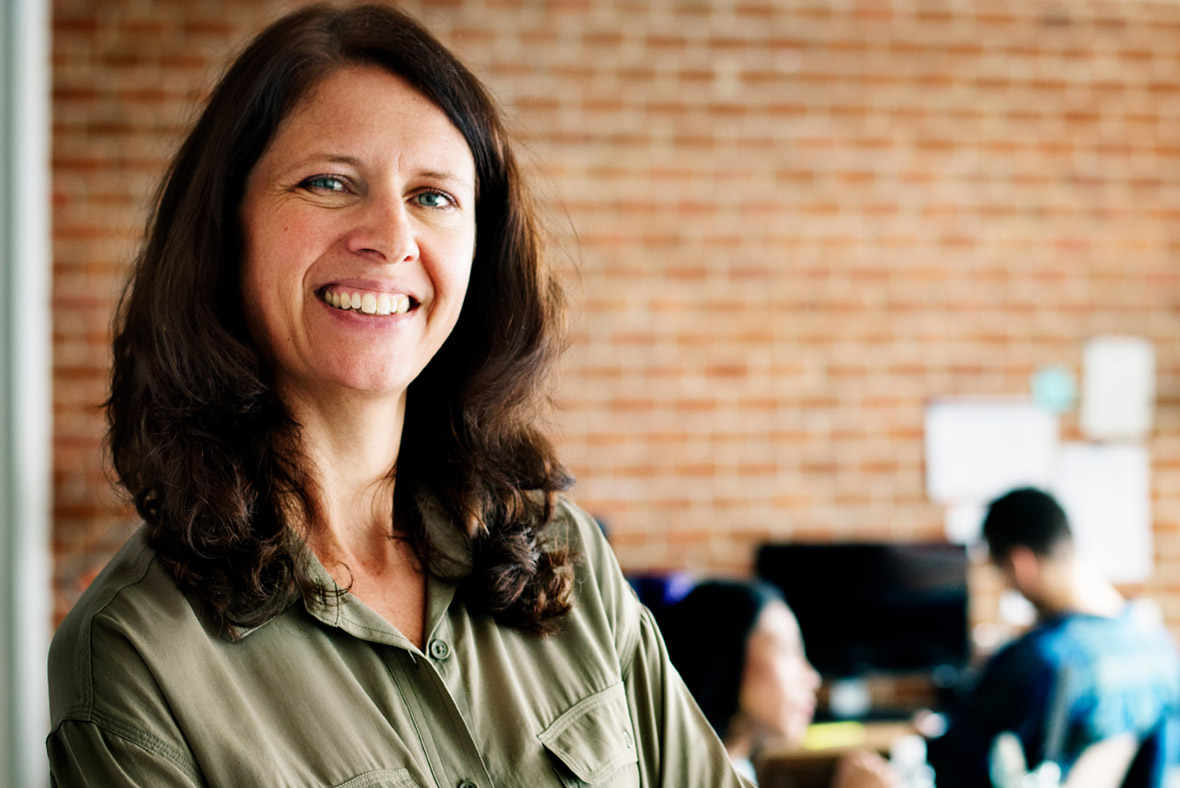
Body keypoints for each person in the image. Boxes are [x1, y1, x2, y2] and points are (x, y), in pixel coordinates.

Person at [45, 5, 751, 786]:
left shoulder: (564, 558)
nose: (390, 236)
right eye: (328, 182)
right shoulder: (137, 655)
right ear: (227, 228)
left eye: (434, 196)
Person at [926, 487, 1180, 787]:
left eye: (1001, 571)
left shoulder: (1037, 658)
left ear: (1021, 565)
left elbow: (955, 768)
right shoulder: (1157, 644)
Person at [663, 580, 901, 788]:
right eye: (788, 649)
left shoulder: (738, 768)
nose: (813, 678)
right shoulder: (687, 777)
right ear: (725, 655)